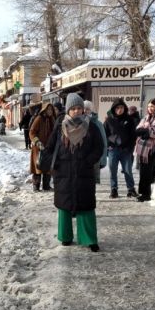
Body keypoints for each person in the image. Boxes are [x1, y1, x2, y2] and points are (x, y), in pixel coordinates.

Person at [44, 93, 104, 252]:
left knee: (86, 206)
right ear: (68, 110)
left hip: (84, 172)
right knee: (64, 206)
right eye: (73, 108)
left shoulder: (91, 126)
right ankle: (65, 237)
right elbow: (49, 148)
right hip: (63, 173)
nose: (77, 111)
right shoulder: (59, 127)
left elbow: (99, 147)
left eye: (79, 108)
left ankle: (89, 239)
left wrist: (88, 161)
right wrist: (54, 162)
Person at [104, 98, 137, 198]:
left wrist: (130, 148)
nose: (119, 110)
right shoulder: (109, 120)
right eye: (117, 108)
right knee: (113, 170)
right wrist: (109, 144)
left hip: (126, 150)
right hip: (113, 150)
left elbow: (133, 136)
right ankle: (114, 189)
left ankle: (131, 189)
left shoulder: (129, 120)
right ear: (114, 109)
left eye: (121, 107)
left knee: (128, 170)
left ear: (124, 108)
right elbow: (105, 134)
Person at [134, 98, 155, 201]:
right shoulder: (146, 117)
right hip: (143, 149)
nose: (150, 108)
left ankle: (146, 194)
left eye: (152, 106)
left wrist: (145, 130)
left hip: (152, 149)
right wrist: (146, 129)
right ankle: (142, 192)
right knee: (142, 171)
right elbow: (138, 129)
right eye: (148, 106)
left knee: (147, 171)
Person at [29, 102, 56, 191]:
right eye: (48, 109)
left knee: (47, 167)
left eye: (51, 109)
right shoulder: (39, 119)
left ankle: (46, 186)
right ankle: (36, 186)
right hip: (38, 148)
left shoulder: (52, 119)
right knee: (38, 166)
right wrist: (37, 142)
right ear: (44, 110)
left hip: (48, 147)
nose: (50, 111)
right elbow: (32, 132)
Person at [84, 100, 107, 184]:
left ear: (91, 110)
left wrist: (103, 158)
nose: (85, 111)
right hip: (82, 156)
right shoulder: (78, 122)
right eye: (83, 109)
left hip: (95, 156)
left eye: (87, 109)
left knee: (94, 181)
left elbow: (103, 141)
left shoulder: (98, 124)